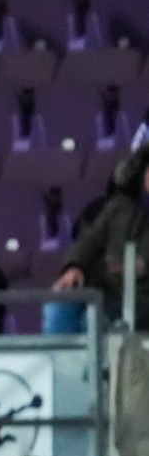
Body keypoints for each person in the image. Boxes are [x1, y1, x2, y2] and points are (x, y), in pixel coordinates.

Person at [45, 137, 149, 334]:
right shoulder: (117, 207)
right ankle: (60, 363)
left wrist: (136, 267)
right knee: (58, 306)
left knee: (91, 323)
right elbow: (88, 241)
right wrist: (74, 267)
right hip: (103, 292)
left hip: (140, 302)